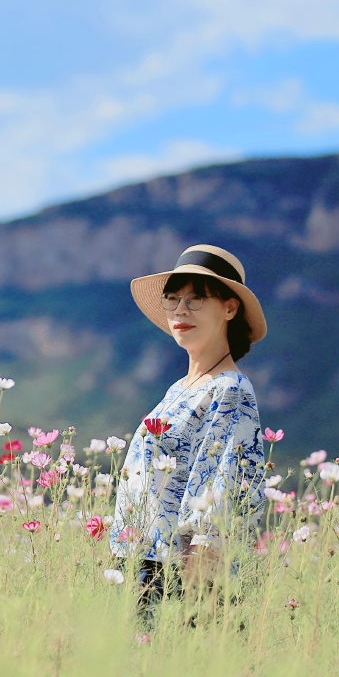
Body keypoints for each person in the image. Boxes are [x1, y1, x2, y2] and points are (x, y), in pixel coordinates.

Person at [109, 244, 267, 626]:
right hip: (140, 562)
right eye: (173, 300)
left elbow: (226, 485)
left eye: (196, 300)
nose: (180, 311)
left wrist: (198, 592)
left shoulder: (230, 389)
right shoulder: (179, 388)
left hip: (177, 572)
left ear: (230, 308)